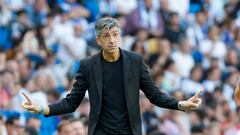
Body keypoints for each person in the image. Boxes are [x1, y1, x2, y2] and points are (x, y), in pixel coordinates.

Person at [22, 17, 203, 135]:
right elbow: (72, 102)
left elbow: (154, 95)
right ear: (98, 40)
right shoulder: (87, 66)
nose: (112, 40)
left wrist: (180, 104)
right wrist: (42, 109)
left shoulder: (135, 61)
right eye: (106, 36)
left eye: (115, 35)